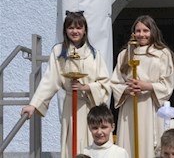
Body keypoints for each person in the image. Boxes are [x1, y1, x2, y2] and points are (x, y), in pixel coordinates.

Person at [21, 11, 111, 158]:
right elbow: (50, 80)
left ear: (85, 30)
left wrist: (87, 87)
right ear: (65, 30)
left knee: (90, 143)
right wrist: (34, 104)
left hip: (89, 106)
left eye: (78, 27)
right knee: (72, 144)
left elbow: (105, 82)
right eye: (70, 27)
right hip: (71, 106)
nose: (75, 31)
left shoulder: (94, 54)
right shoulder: (59, 52)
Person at [110, 15, 174, 158]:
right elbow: (115, 82)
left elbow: (167, 83)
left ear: (153, 32)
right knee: (130, 142)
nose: (141, 34)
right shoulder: (125, 54)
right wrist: (126, 90)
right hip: (129, 106)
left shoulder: (162, 54)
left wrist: (146, 86)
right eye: (138, 31)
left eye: (146, 30)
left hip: (150, 104)